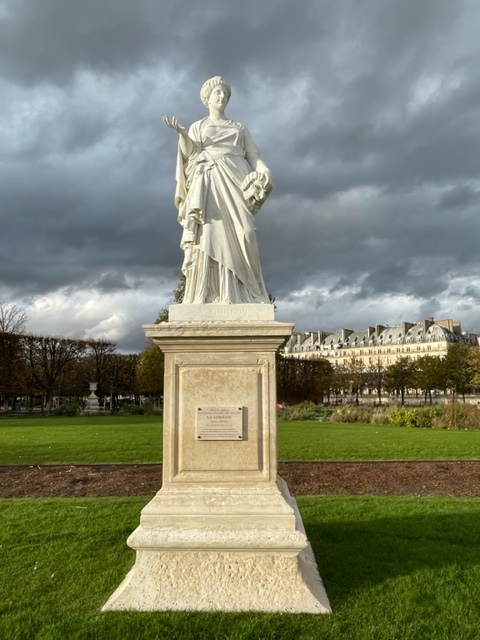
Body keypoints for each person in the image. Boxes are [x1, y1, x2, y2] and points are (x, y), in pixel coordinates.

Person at [163, 76, 272, 304]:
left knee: (247, 233)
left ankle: (251, 292)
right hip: (209, 182)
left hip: (236, 183)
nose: (222, 96)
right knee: (208, 237)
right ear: (207, 99)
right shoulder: (198, 127)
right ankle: (210, 293)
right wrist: (183, 135)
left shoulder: (239, 128)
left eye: (225, 93)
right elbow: (191, 155)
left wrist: (265, 171)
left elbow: (254, 157)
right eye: (217, 93)